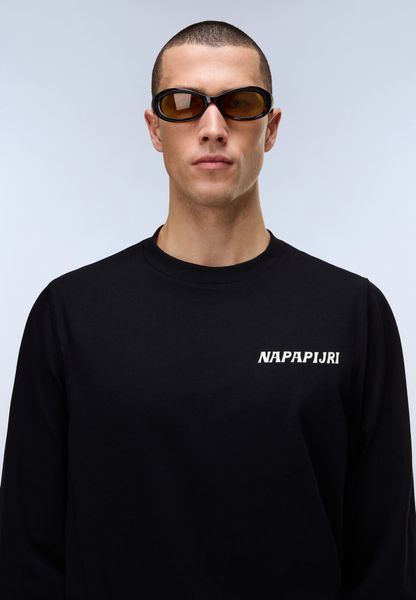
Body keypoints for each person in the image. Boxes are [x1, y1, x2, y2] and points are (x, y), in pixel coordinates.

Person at [0, 19, 415, 599]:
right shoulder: (69, 314)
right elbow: (26, 555)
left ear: (271, 128)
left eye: (240, 104)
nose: (213, 127)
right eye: (184, 103)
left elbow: (387, 561)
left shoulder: (353, 315)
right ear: (155, 129)